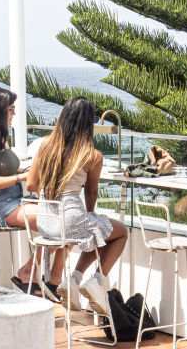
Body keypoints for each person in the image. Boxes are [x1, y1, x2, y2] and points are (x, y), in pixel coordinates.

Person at [28, 96, 128, 315]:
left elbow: (31, 184)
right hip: (71, 218)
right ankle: (96, 281)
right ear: (87, 123)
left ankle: (73, 280)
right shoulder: (91, 155)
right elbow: (91, 191)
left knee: (97, 230)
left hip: (46, 221)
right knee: (119, 232)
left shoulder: (45, 146)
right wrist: (90, 214)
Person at [0, 87, 57, 296]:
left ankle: (43, 275)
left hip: (16, 200)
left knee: (65, 219)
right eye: (10, 109)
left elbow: (6, 169)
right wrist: (23, 177)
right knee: (58, 222)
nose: (14, 114)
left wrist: (32, 171)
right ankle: (34, 273)